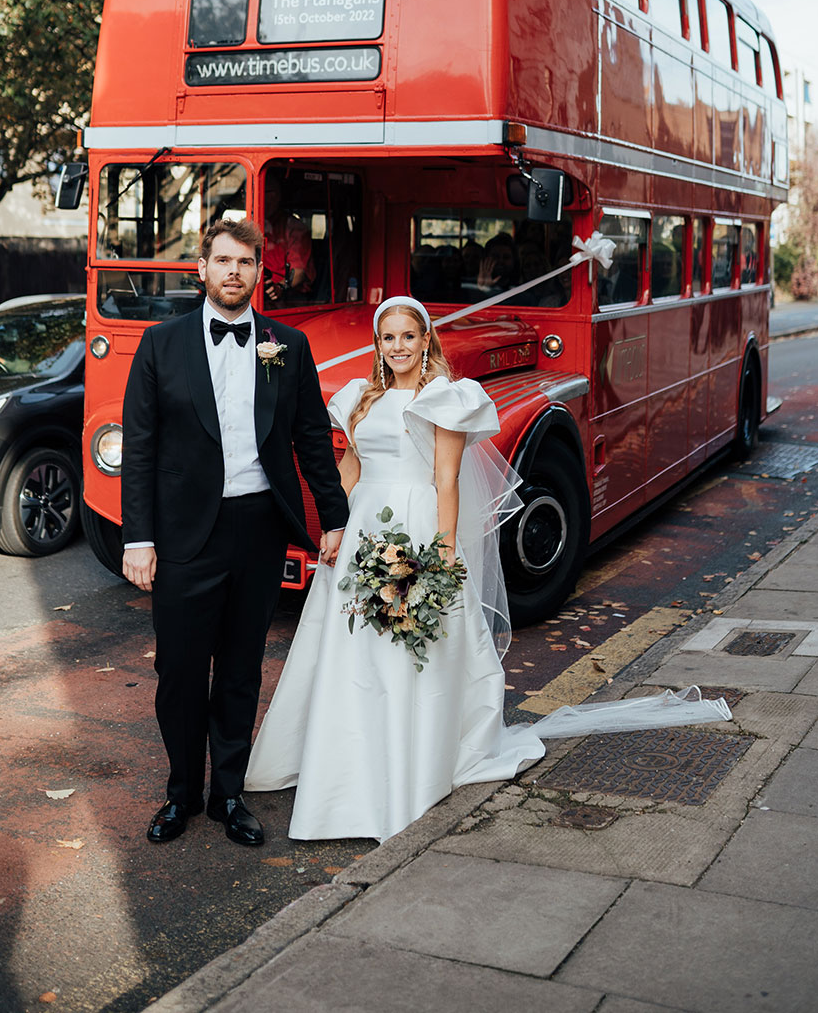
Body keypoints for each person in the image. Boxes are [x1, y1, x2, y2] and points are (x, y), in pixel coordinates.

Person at [244, 296, 546, 841]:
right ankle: (346, 765)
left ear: (425, 340)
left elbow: (447, 480)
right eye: (388, 338)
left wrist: (445, 551)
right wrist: (333, 526)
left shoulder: (446, 399)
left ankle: (412, 763)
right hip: (364, 527)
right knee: (350, 644)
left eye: (409, 336)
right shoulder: (361, 397)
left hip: (419, 524)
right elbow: (350, 467)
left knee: (414, 646)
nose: (398, 347)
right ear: (378, 345)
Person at [121, 217, 348, 847]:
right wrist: (138, 538)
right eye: (222, 261)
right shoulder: (160, 345)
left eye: (245, 263)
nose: (233, 273)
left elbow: (310, 439)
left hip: (257, 528)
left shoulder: (288, 346)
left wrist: (333, 516)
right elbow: (139, 449)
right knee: (181, 672)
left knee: (243, 668)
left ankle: (228, 794)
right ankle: (180, 794)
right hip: (184, 535)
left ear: (258, 274)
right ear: (202, 268)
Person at [261, 172, 315, 305]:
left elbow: (298, 272)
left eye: (265, 192)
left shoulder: (294, 228)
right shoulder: (251, 225)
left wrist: (279, 287)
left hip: (289, 298)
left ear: (275, 196)